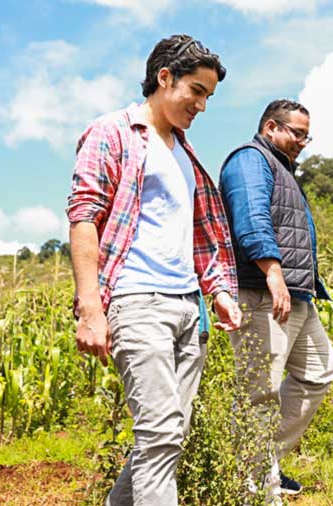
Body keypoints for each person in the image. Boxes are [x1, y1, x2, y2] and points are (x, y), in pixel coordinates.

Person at [66, 34, 241, 505]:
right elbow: (84, 217)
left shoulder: (185, 153)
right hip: (137, 301)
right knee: (160, 435)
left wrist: (220, 291)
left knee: (167, 437)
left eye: (209, 96)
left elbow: (199, 235)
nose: (202, 105)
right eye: (196, 91)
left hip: (189, 308)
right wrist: (90, 309)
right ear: (165, 78)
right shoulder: (113, 132)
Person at [219, 99, 333, 498]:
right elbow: (251, 219)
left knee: (319, 370)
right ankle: (252, 488)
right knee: (259, 393)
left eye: (307, 135)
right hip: (264, 293)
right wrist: (274, 274)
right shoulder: (250, 160)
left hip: (296, 295)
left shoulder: (282, 168)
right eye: (297, 133)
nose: (303, 142)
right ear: (271, 127)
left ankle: (259, 463)